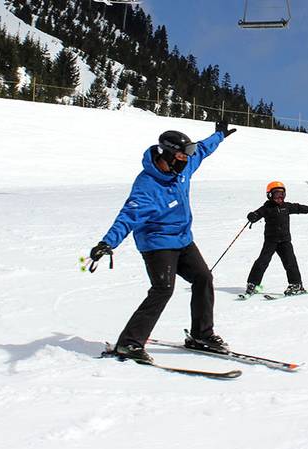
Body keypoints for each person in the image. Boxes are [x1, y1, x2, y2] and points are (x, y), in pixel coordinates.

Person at [88, 121, 237, 362]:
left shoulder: (183, 167)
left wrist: (219, 135)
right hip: (157, 244)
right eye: (182, 154)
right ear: (168, 155)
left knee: (203, 278)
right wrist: (107, 243)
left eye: (186, 154)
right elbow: (127, 217)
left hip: (182, 239)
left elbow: (201, 150)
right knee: (163, 289)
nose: (187, 158)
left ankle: (201, 335)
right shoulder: (147, 187)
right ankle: (129, 343)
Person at [244, 181, 308, 297]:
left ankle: (296, 285)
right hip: (271, 240)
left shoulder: (287, 207)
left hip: (285, 241)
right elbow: (257, 214)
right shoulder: (267, 208)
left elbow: (300, 208)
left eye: (282, 194)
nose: (280, 197)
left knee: (291, 262)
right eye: (277, 194)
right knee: (262, 261)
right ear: (270, 195)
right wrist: (253, 216)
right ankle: (253, 284)